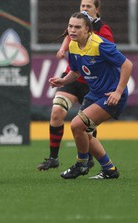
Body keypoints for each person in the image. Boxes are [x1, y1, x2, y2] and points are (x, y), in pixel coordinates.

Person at [49, 12, 132, 179]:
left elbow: (127, 65)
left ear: (87, 30)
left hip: (110, 95)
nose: (72, 30)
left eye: (77, 27)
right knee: (85, 132)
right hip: (95, 94)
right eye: (70, 26)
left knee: (76, 125)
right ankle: (109, 169)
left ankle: (81, 164)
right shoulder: (73, 45)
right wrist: (63, 81)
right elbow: (76, 71)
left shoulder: (100, 45)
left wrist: (118, 91)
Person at [37, 0, 114, 171]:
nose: (84, 9)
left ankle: (88, 159)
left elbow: (110, 55)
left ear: (97, 9)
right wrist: (63, 50)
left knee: (84, 125)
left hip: (92, 82)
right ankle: (53, 158)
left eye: (88, 6)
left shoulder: (103, 30)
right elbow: (69, 37)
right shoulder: (76, 26)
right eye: (82, 6)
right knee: (57, 112)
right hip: (72, 78)